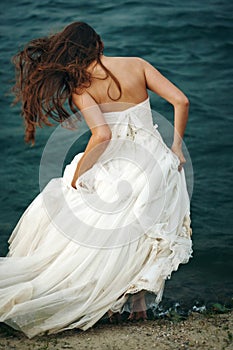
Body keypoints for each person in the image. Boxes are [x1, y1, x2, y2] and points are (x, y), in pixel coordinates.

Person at [0, 22, 193, 338]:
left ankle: (108, 301)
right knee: (143, 234)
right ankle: (138, 307)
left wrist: (78, 176)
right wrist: (175, 147)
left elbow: (102, 135)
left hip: (117, 164)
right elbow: (181, 101)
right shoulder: (137, 65)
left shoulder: (82, 87)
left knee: (86, 217)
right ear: (98, 44)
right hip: (153, 162)